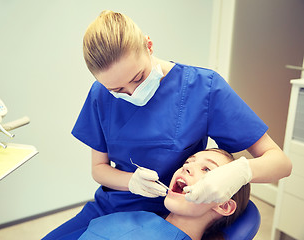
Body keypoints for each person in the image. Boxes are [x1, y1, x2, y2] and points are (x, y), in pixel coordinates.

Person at [43, 10, 291, 239]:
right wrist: (130, 182)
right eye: (118, 90)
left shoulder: (204, 88)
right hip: (110, 207)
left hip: (172, 215)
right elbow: (99, 169)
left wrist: (238, 172)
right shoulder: (100, 94)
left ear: (149, 46)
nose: (132, 93)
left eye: (138, 78)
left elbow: (281, 163)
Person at [78, 149, 251, 240]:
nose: (186, 167)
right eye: (188, 162)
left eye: (207, 169)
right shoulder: (137, 217)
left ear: (224, 205)